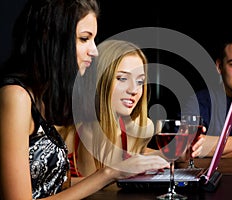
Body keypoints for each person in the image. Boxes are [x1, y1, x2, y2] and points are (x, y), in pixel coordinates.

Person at [0, 1, 169, 199]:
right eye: (84, 39)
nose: (94, 50)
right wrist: (109, 173)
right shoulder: (15, 96)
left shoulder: (43, 99)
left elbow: (56, 185)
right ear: (50, 36)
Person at [67, 39, 164, 177]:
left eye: (140, 81)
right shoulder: (67, 132)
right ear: (99, 80)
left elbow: (139, 155)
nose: (134, 90)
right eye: (123, 78)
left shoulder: (141, 127)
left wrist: (173, 153)